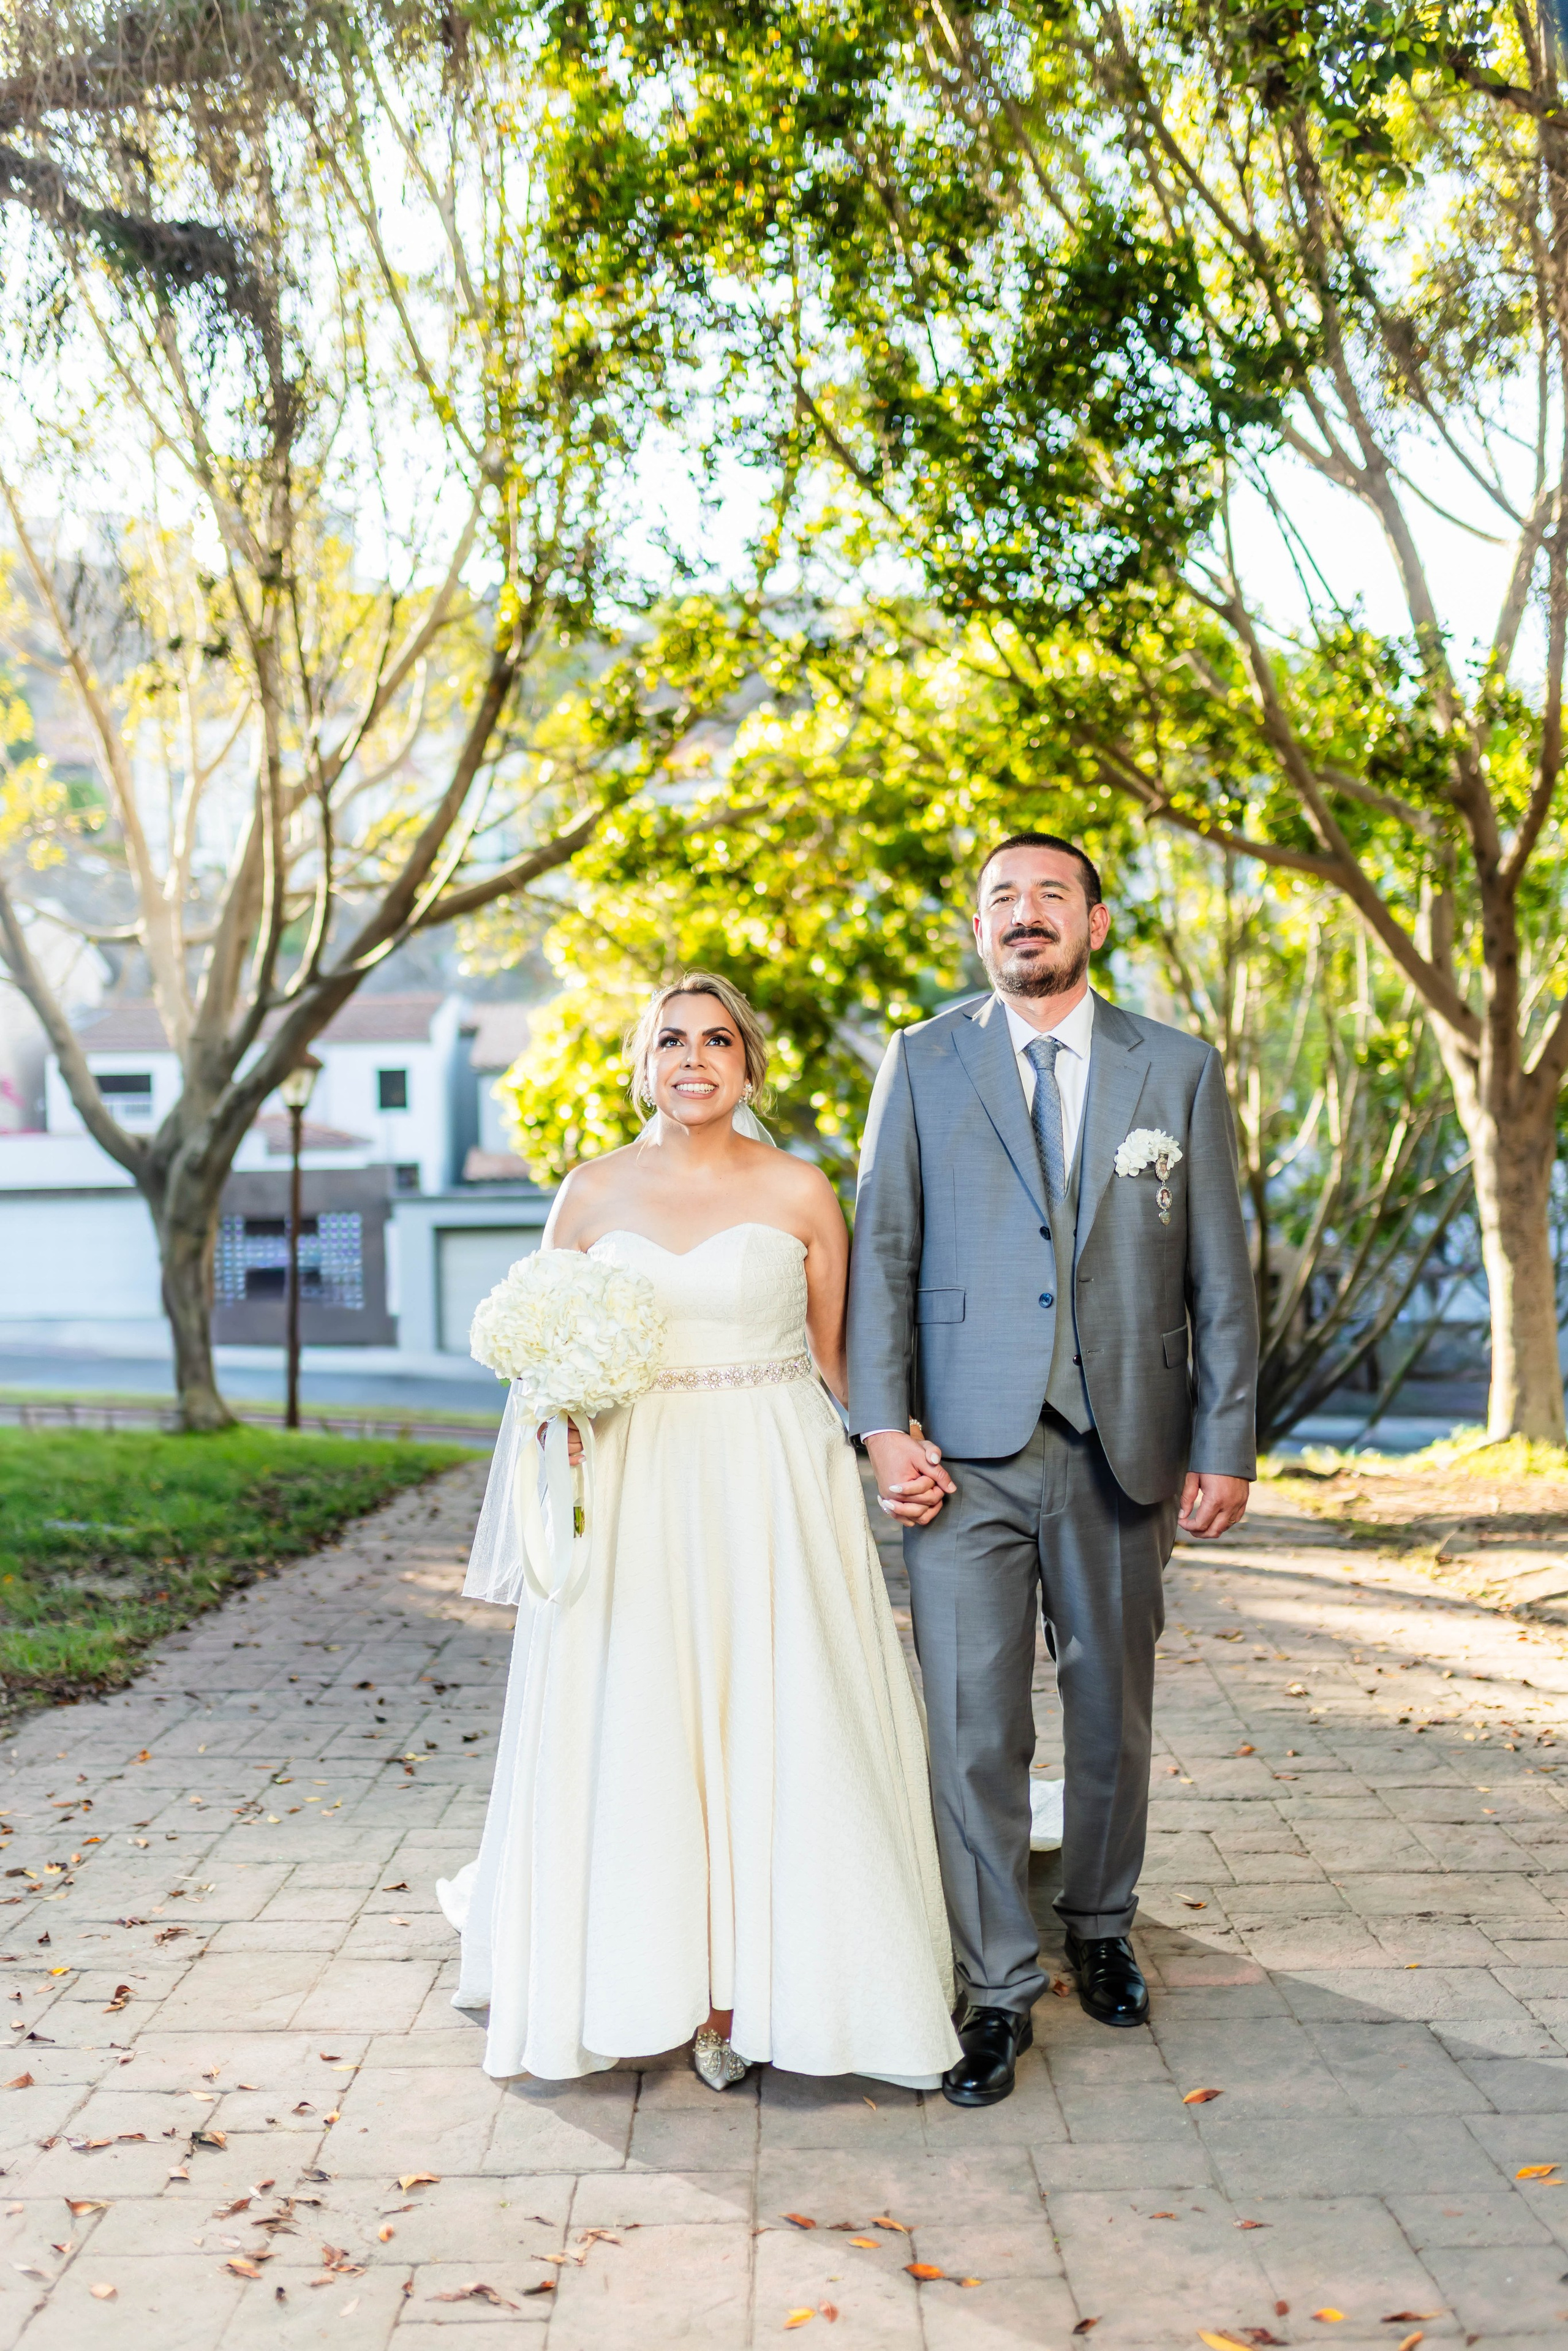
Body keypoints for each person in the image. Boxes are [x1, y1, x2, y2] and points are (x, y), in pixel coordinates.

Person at [439, 972, 960, 2091]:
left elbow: (839, 1354)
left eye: (717, 1039)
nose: (694, 1057)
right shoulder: (587, 1193)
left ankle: (752, 1991)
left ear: (748, 1064)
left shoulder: (804, 1191)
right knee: (647, 1722)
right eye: (671, 1039)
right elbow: (544, 1356)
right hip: (636, 1483)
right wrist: (561, 1430)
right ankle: (649, 1978)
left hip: (772, 1480)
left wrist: (890, 1440)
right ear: (643, 1064)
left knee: (776, 1716)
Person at [847, 834, 1258, 2108]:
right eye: (999, 900)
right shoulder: (917, 1061)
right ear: (976, 926)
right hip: (961, 1458)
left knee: (1109, 1709)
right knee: (971, 1723)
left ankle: (1098, 1918)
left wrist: (1223, 1438)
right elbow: (881, 1254)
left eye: (1046, 897)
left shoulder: (1175, 1068)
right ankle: (994, 1988)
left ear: (1091, 917)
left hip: (1123, 1438)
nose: (1022, 917)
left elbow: (1221, 1274)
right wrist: (881, 1423)